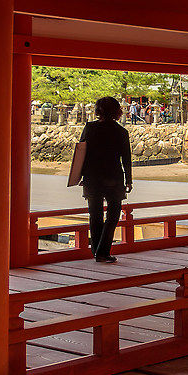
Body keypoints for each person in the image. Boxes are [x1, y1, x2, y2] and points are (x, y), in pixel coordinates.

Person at [78, 96, 133, 263]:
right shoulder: (121, 132)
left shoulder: (90, 128)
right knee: (113, 215)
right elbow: (126, 159)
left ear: (98, 111)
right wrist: (129, 180)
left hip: (92, 178)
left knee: (95, 215)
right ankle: (102, 251)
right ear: (117, 112)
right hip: (113, 178)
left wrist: (78, 176)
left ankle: (97, 251)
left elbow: (81, 152)